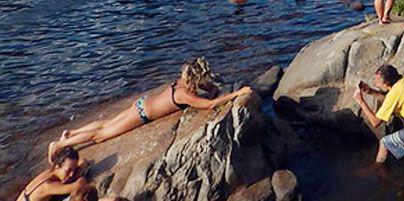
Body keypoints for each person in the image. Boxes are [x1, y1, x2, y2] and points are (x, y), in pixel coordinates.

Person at [47, 59, 251, 160]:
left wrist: (213, 88)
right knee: (101, 135)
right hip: (142, 115)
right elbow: (208, 104)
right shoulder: (184, 95)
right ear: (197, 77)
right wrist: (237, 93)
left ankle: (72, 132)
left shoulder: (181, 82)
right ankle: (60, 144)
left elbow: (211, 89)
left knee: (107, 122)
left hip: (141, 104)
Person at [17, 147, 87, 201]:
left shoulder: (49, 172)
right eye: (68, 170)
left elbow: (83, 160)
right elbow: (78, 186)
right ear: (57, 167)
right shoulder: (48, 186)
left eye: (74, 170)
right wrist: (79, 174)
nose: (71, 174)